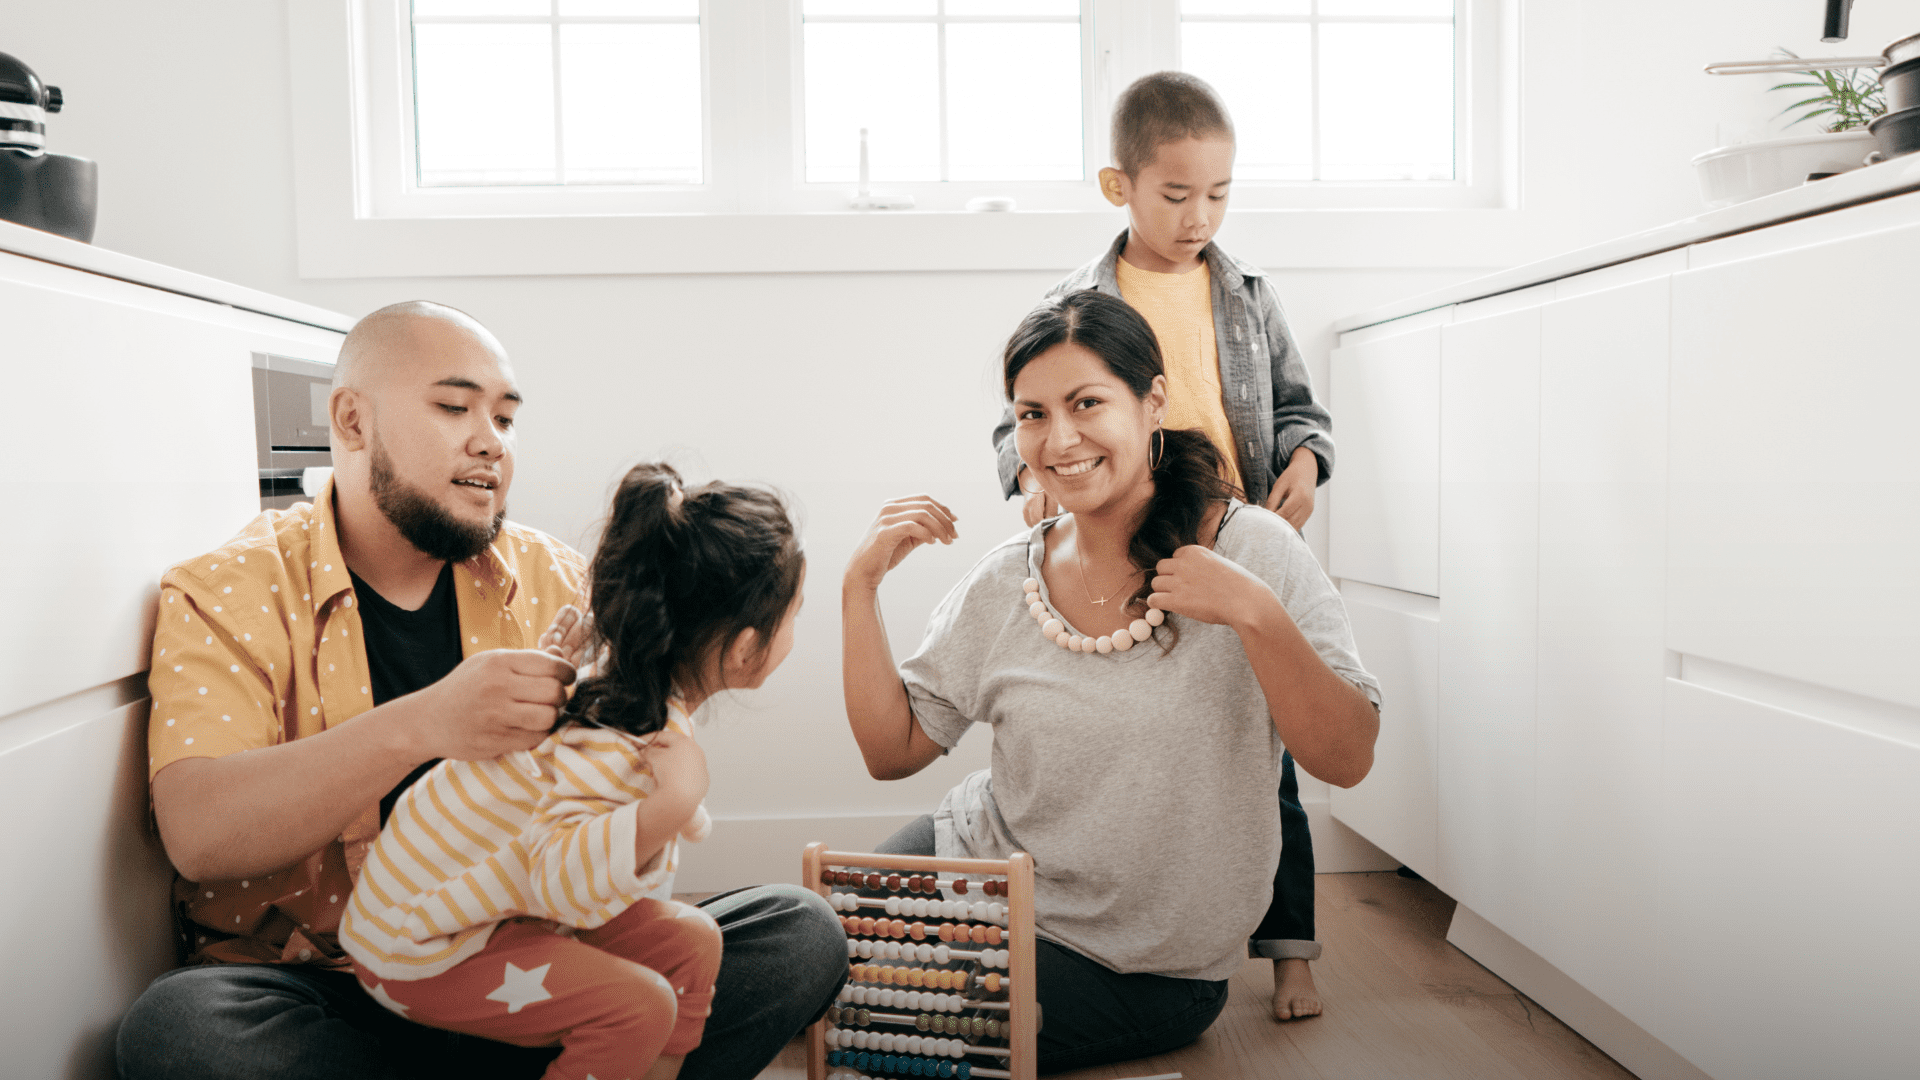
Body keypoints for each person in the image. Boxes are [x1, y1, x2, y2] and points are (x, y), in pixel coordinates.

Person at [117, 301, 844, 1080]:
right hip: (330, 986)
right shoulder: (229, 588)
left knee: (798, 929)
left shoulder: (551, 577)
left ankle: (581, 1051)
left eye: (505, 418)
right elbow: (198, 834)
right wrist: (422, 725)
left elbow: (615, 771)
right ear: (353, 421)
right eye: (455, 407)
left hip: (535, 962)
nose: (489, 442)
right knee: (182, 1030)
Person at [846, 290, 1379, 1073]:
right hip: (982, 866)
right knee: (811, 954)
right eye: (1032, 414)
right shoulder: (1006, 580)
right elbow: (893, 751)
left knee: (870, 1014)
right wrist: (859, 587)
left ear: (1151, 401)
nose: (1058, 439)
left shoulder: (1254, 552)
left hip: (1142, 962)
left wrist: (1257, 617)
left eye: (1086, 402)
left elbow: (1348, 758)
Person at [989, 71, 1339, 1021]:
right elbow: (1017, 426)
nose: (1199, 217)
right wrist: (1029, 481)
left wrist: (1307, 458)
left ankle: (1290, 954)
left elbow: (1300, 409)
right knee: (1154, 754)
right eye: (1176, 195)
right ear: (1121, 188)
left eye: (1219, 195)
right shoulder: (1080, 301)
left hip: (1232, 544)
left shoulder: (1246, 294)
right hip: (1129, 549)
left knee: (1272, 766)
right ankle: (1110, 926)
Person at [342, 461, 807, 1080]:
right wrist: (668, 809)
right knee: (642, 1005)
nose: (796, 630)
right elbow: (562, 882)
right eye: (794, 616)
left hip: (495, 914)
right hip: (420, 948)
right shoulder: (610, 746)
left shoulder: (632, 696)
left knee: (698, 941)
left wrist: (671, 808)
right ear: (747, 647)